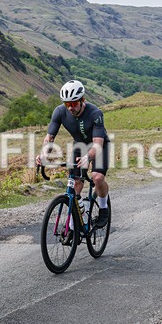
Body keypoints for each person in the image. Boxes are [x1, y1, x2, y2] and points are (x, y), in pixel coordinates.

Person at [36, 80, 110, 228]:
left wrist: (88, 158)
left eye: (74, 103)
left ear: (82, 100)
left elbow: (97, 145)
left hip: (99, 145)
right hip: (79, 145)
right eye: (67, 104)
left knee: (97, 177)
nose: (70, 107)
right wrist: (43, 155)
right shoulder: (59, 112)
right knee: (75, 182)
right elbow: (49, 138)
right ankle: (72, 225)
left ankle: (103, 208)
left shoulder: (95, 113)